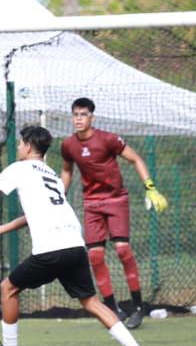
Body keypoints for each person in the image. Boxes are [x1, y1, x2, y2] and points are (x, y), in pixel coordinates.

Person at [0, 124, 151, 346]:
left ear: (29, 146)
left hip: (51, 249)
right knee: (91, 302)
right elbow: (36, 214)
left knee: (8, 288)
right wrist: (1, 228)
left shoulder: (19, 169)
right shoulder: (51, 175)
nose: (19, 147)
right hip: (75, 246)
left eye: (21, 143)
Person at [59, 97, 169, 329]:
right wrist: (59, 195)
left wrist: (150, 187)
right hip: (92, 204)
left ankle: (138, 307)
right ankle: (114, 309)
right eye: (75, 114)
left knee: (122, 249)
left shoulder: (108, 139)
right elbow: (67, 171)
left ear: (92, 117)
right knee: (95, 256)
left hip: (116, 200)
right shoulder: (68, 145)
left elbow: (135, 158)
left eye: (83, 114)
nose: (78, 118)